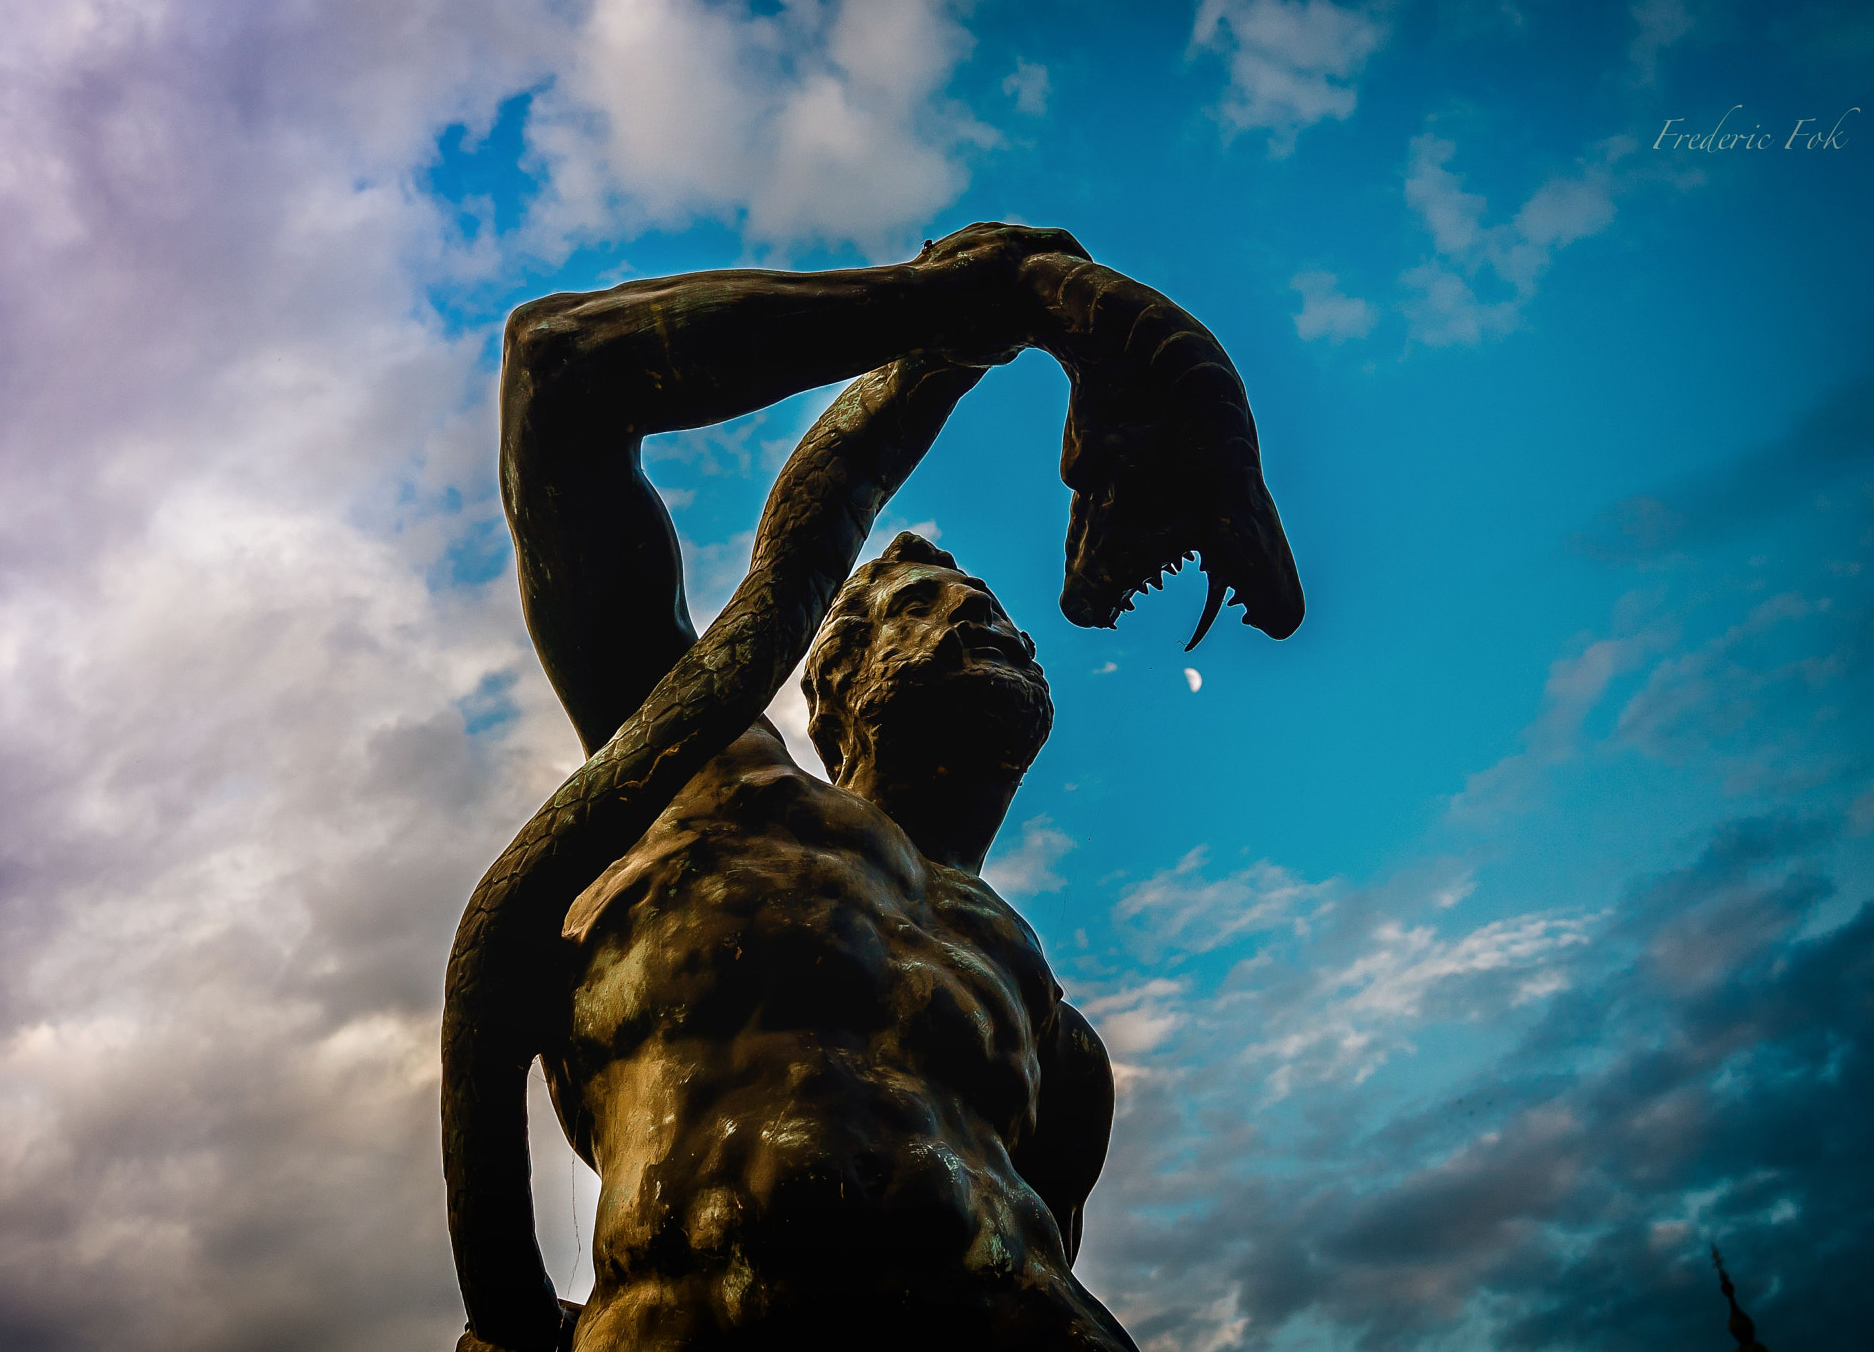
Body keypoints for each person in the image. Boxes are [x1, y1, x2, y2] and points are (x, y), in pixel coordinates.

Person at [442, 224, 1303, 1351]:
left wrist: (974, 327)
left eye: (991, 610)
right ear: (833, 691)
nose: (977, 618)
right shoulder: (717, 803)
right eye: (918, 609)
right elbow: (563, 370)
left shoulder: (1054, 1032)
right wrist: (949, 308)